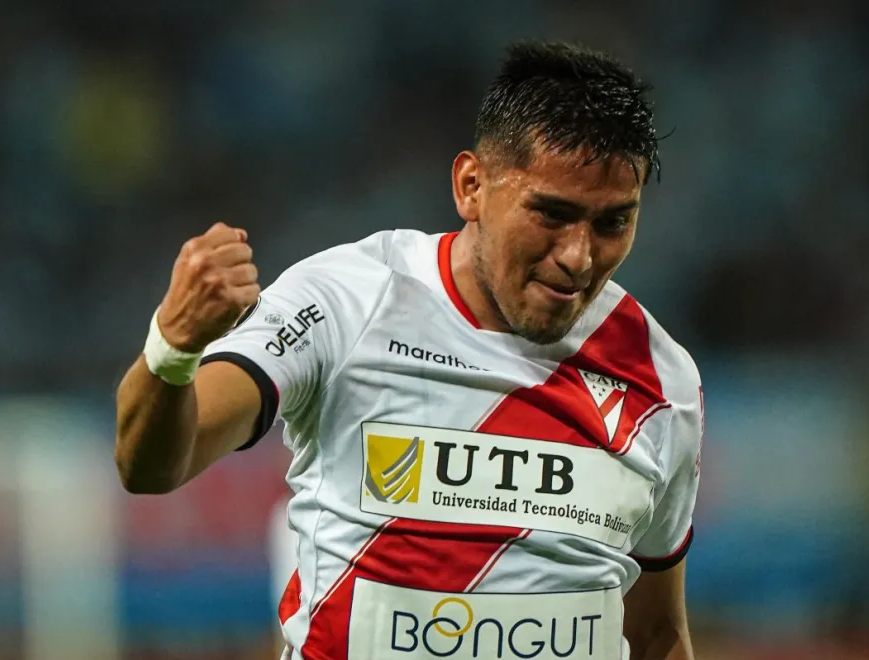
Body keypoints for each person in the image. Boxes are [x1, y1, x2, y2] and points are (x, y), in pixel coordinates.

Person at [115, 41, 704, 660]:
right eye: (551, 214)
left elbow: (658, 635)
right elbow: (150, 466)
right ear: (471, 186)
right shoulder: (347, 301)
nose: (578, 256)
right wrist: (174, 346)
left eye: (612, 223)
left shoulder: (661, 380)